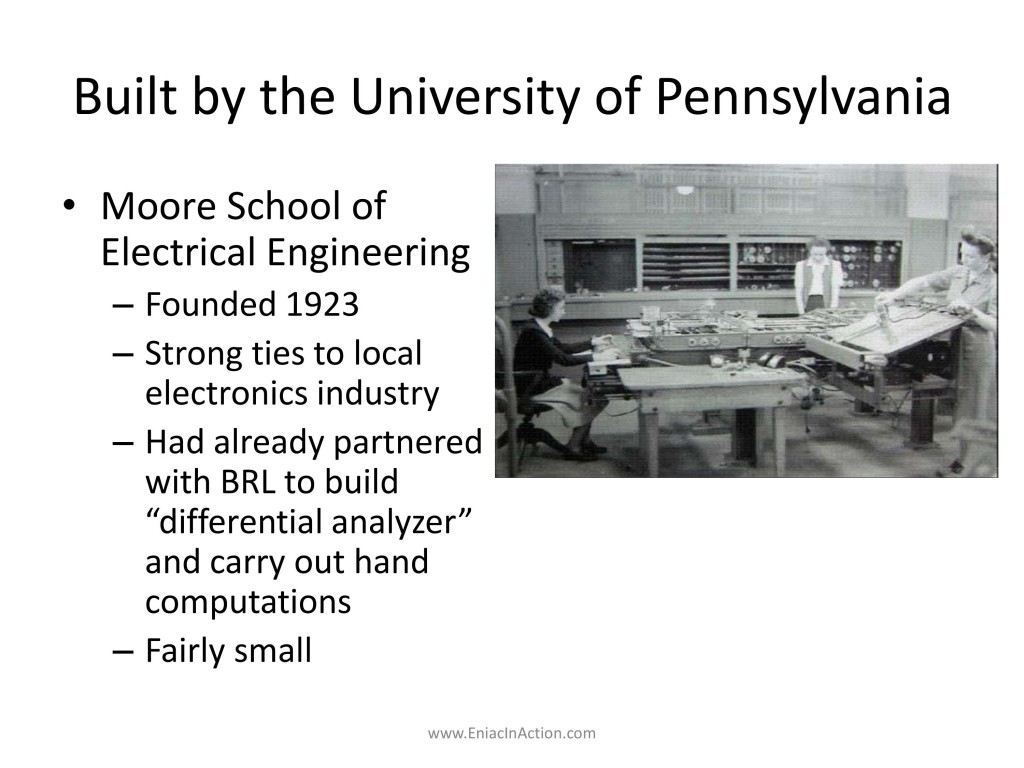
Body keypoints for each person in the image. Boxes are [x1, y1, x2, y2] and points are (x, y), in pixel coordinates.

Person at [875, 227, 997, 475]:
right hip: (951, 344)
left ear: (987, 259)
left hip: (976, 350)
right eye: (962, 254)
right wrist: (894, 295)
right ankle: (964, 457)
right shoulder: (958, 273)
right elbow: (923, 282)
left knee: (973, 406)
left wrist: (973, 312)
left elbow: (997, 324)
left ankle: (972, 464)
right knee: (954, 404)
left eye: (971, 257)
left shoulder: (995, 284)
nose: (965, 261)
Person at [513, 288, 613, 461]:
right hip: (531, 386)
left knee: (591, 393)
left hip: (534, 381)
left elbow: (563, 349)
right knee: (594, 397)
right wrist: (598, 356)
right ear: (549, 309)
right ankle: (573, 447)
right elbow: (563, 359)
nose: (564, 312)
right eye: (561, 308)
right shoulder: (534, 332)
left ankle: (584, 440)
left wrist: (592, 342)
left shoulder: (537, 326)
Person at [794, 236, 844, 314]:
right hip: (808, 303)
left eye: (821, 254)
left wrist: (832, 311)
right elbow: (798, 291)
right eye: (815, 254)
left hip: (826, 303)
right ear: (810, 251)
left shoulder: (835, 265)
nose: (818, 258)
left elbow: (835, 291)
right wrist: (801, 313)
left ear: (826, 252)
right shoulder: (800, 265)